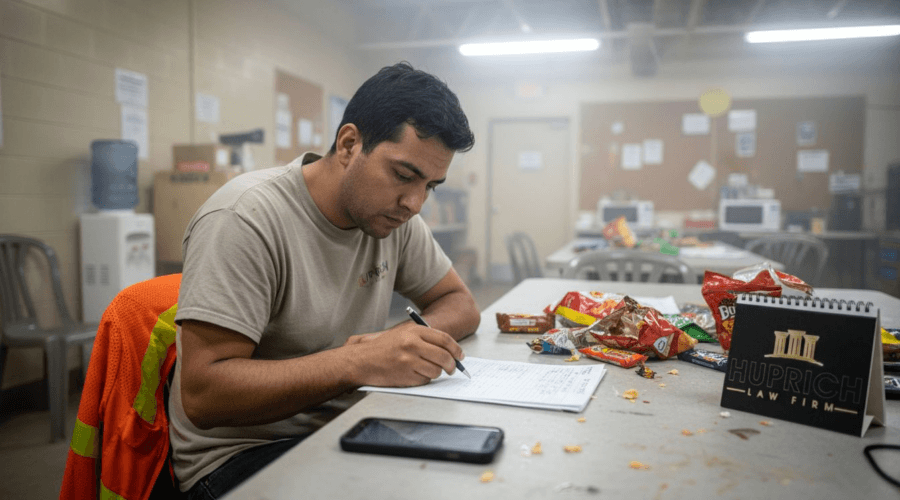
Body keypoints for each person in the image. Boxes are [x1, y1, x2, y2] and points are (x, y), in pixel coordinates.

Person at [169, 62, 481, 499]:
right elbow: (204, 397)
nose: (415, 202)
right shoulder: (246, 218)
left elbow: (459, 302)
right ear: (350, 143)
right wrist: (360, 361)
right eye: (404, 175)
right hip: (241, 456)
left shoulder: (394, 217)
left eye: (431, 186)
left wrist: (399, 344)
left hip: (347, 423)